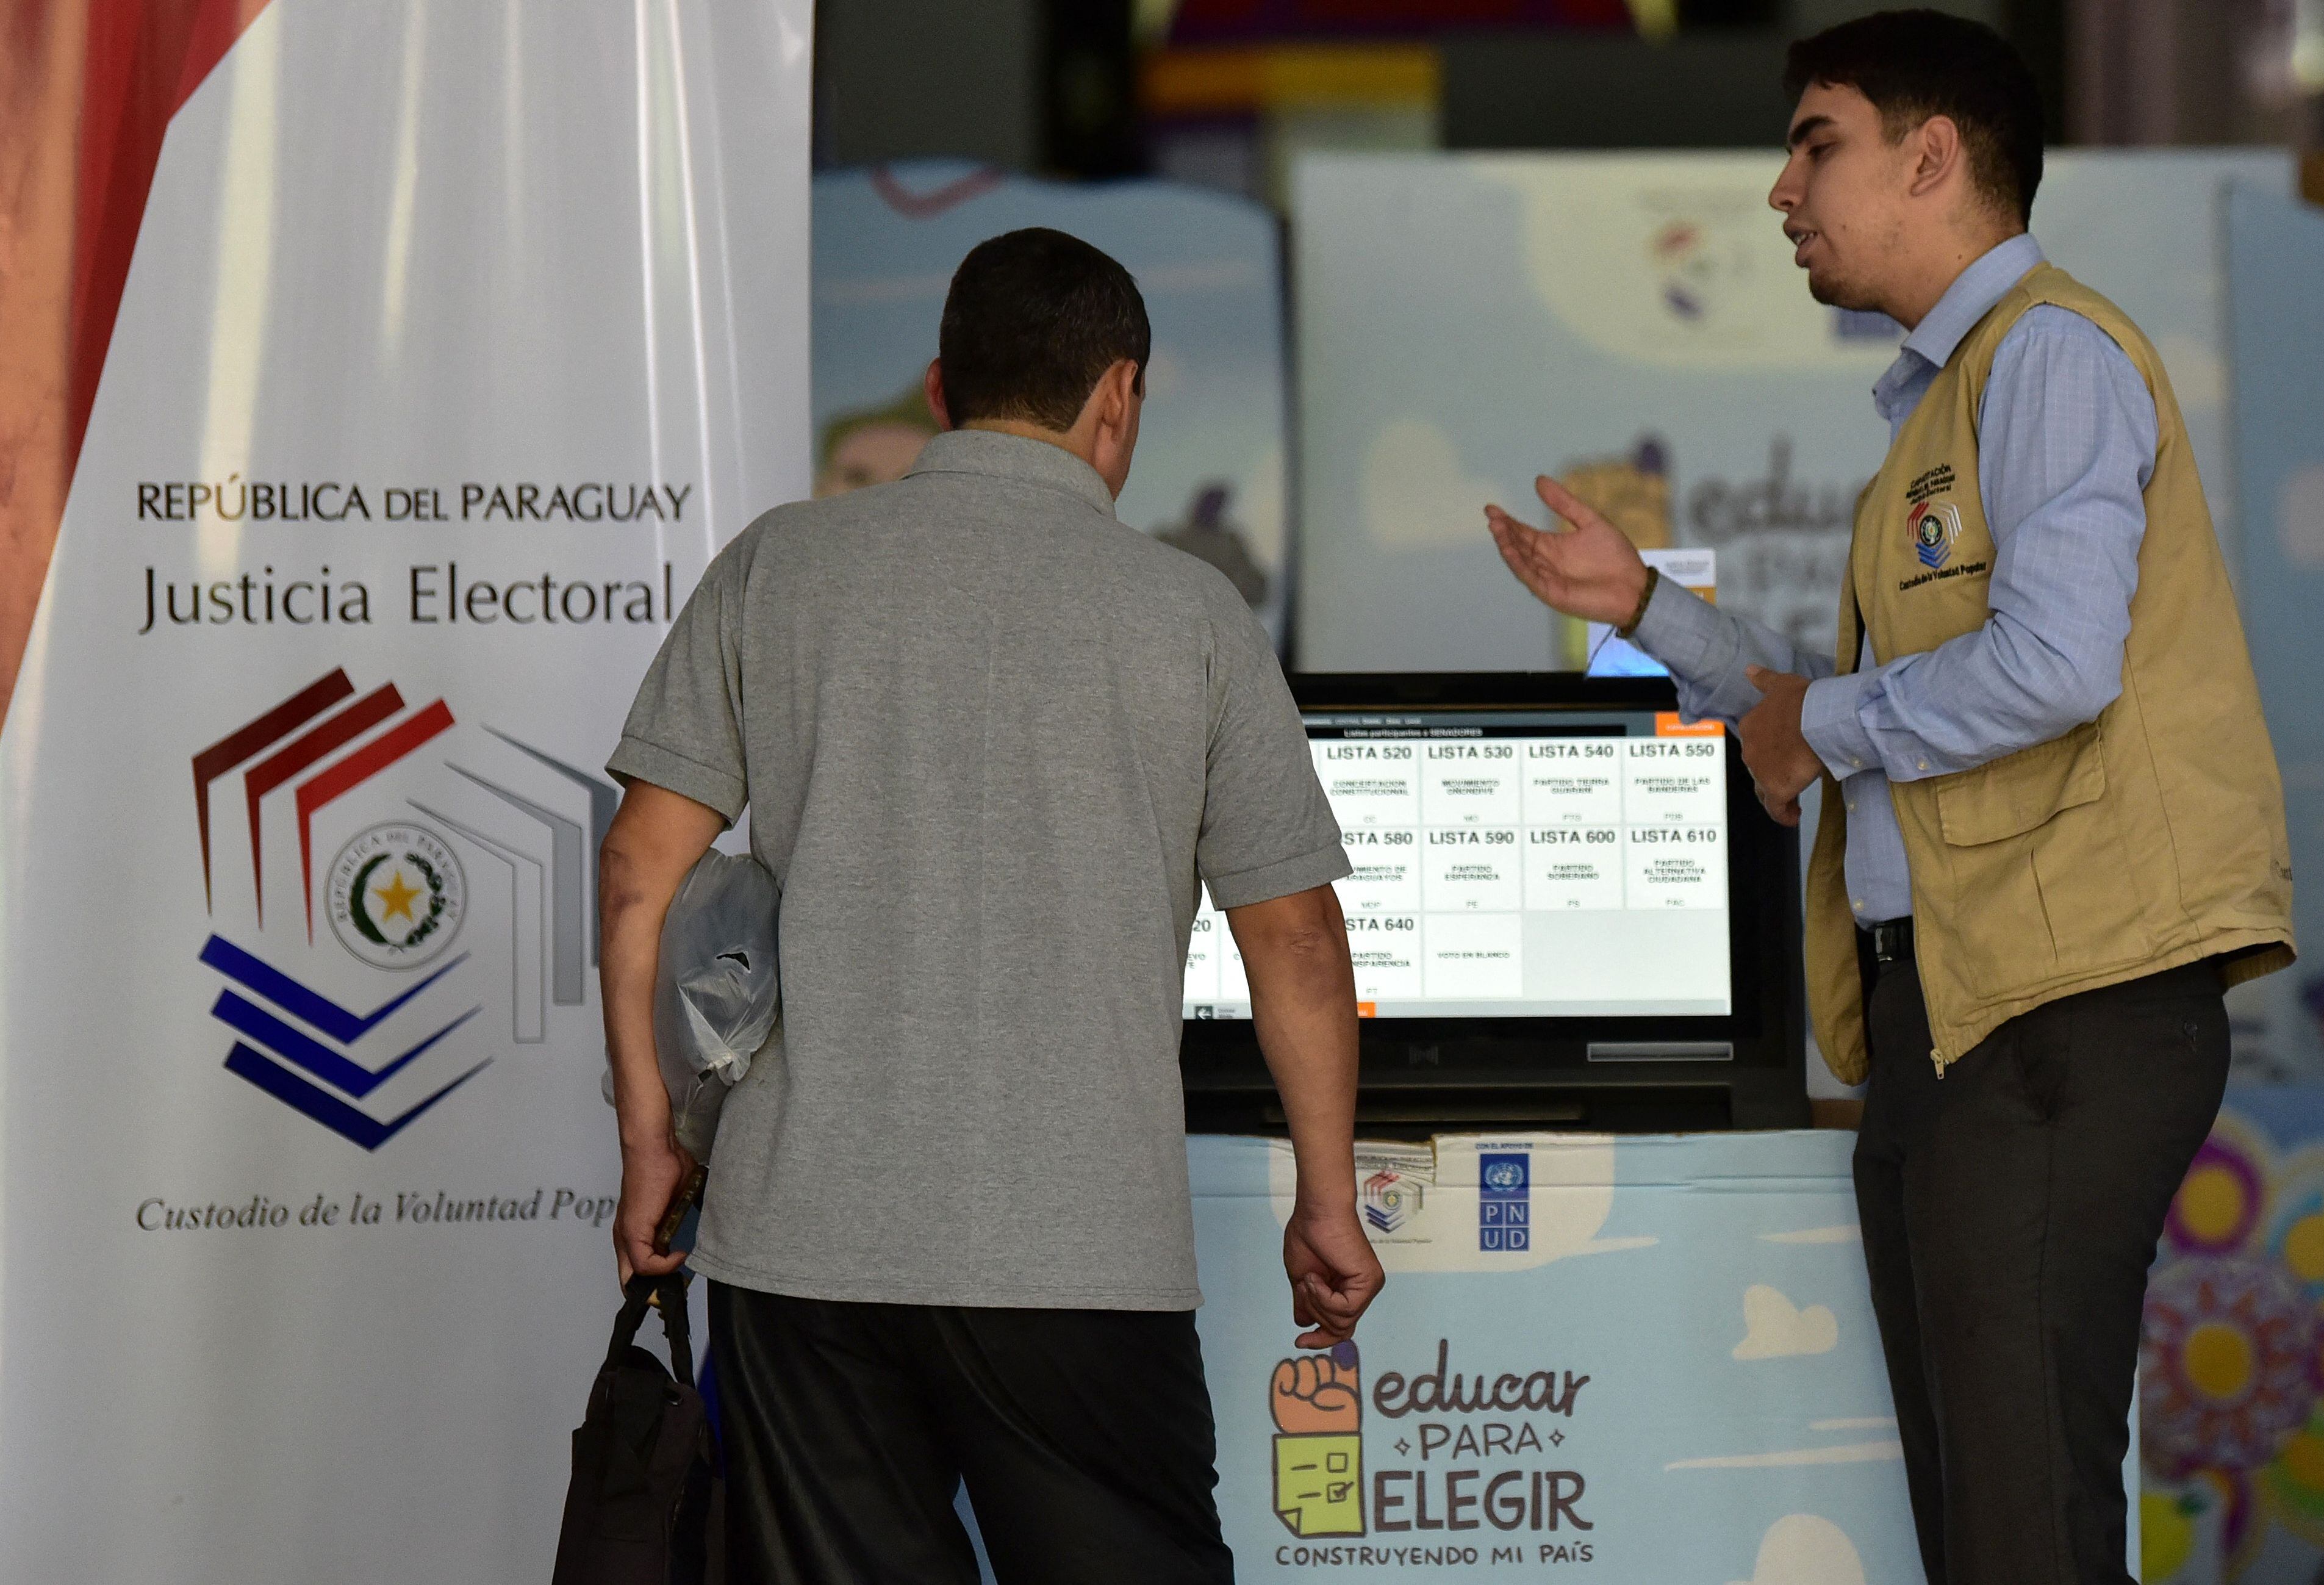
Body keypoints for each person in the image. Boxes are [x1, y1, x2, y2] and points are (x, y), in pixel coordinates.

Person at [1484, 13, 2293, 1584]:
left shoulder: (2049, 356)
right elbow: (1859, 708)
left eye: (1817, 143)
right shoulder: (1951, 397)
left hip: (2054, 1011)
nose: (1780, 190)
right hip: (1966, 1016)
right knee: (1988, 1528)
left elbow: (2054, 665)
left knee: (2022, 1530)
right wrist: (1646, 609)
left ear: (1931, 157)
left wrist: (1822, 723)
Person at [597, 226, 1384, 1584]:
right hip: (1084, 1254)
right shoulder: (1192, 614)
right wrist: (1327, 1193)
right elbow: (1295, 938)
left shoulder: (778, 566)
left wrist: (650, 1139)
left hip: (806, 1243)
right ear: (1118, 396)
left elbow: (636, 875)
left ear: (938, 388)